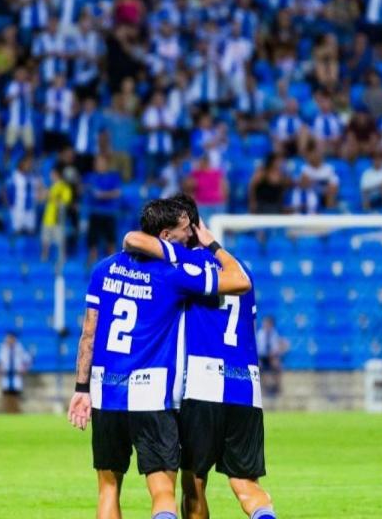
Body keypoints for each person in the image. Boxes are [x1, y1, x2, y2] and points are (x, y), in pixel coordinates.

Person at [66, 198, 252, 519]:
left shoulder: (103, 269)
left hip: (106, 394)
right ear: (165, 236)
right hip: (151, 394)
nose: (190, 236)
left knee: (108, 488)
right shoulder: (173, 274)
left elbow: (88, 334)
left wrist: (81, 389)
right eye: (184, 231)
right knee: (163, 491)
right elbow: (239, 282)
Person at [121, 193, 277, 519]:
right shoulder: (240, 268)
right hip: (247, 388)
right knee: (247, 486)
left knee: (194, 484)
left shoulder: (183, 263)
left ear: (187, 228)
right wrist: (215, 244)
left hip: (204, 386)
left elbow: (134, 240)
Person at [85, 155, 122, 264]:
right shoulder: (90, 177)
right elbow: (94, 194)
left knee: (111, 241)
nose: (99, 165)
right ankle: (91, 265)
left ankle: (114, 265)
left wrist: (102, 194)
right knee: (92, 240)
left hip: (109, 214)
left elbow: (117, 193)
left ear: (106, 164)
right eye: (97, 163)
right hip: (95, 213)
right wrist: (108, 194)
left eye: (101, 163)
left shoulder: (114, 177)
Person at [41, 167, 73, 262]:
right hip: (47, 219)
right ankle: (44, 260)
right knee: (45, 242)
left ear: (57, 174)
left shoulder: (65, 188)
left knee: (60, 243)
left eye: (52, 174)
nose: (50, 176)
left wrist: (50, 196)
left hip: (58, 220)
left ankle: (63, 263)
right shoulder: (51, 187)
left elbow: (64, 203)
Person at [0, 331, 32, 414]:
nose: (9, 340)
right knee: (6, 392)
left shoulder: (20, 348)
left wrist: (24, 369)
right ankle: (6, 410)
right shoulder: (3, 348)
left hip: (16, 374)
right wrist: (0, 368)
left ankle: (15, 410)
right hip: (6, 374)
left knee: (16, 393)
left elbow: (27, 359)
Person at [256, 315, 288, 401]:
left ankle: (276, 387)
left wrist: (277, 352)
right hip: (262, 357)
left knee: (276, 364)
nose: (266, 325)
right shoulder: (259, 334)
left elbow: (284, 345)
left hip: (273, 356)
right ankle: (264, 388)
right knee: (258, 366)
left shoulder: (276, 333)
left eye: (267, 323)